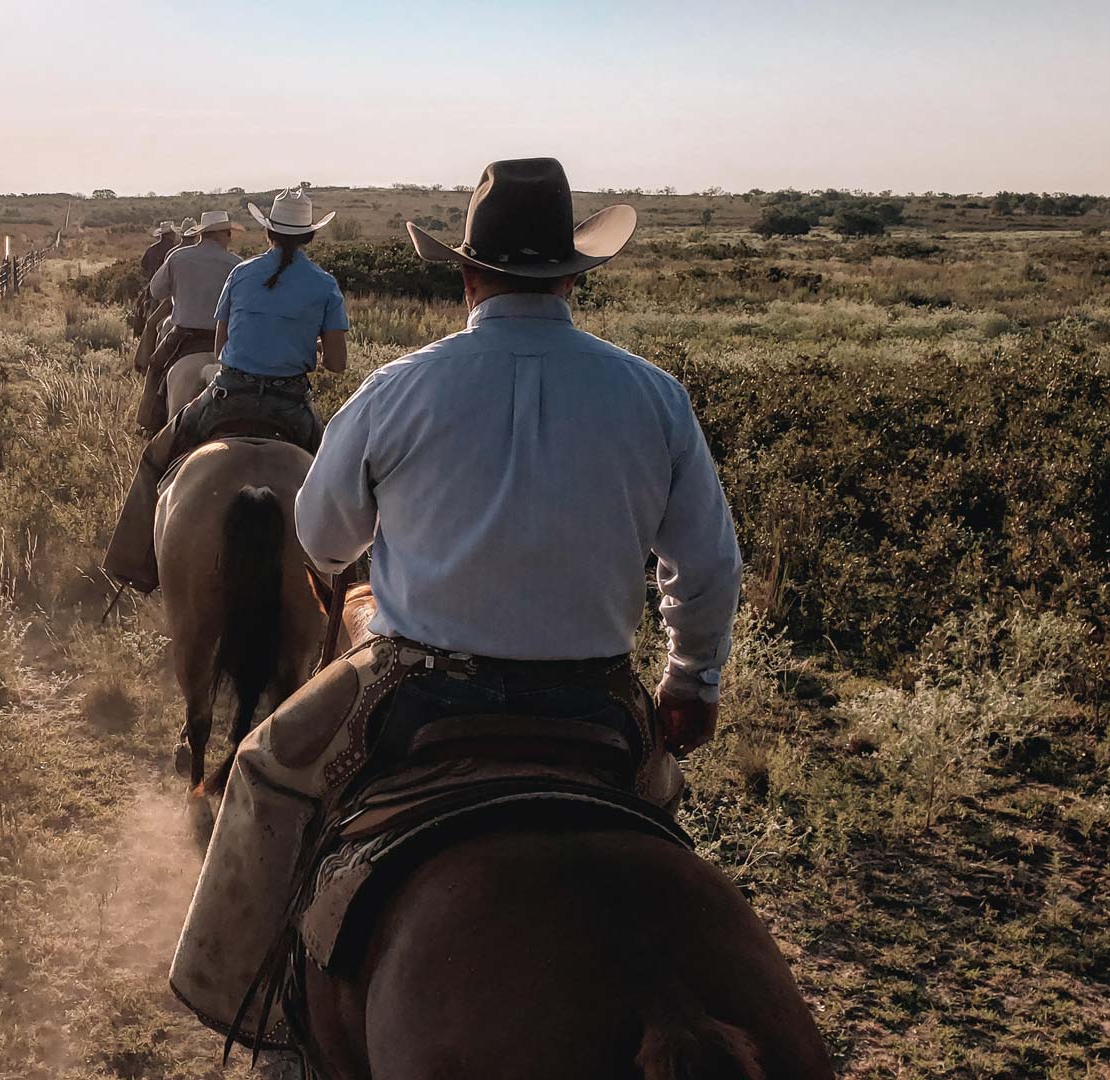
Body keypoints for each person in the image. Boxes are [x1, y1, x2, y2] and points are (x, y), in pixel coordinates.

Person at [169, 158, 743, 1039]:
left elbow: (322, 538)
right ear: (570, 276)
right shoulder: (653, 396)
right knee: (657, 813)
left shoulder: (402, 387)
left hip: (416, 687)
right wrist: (691, 683)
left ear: (466, 274)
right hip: (595, 696)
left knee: (261, 765)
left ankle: (252, 1018)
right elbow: (706, 564)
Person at [103, 189, 349, 593]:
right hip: (289, 406)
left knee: (155, 456)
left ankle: (136, 565)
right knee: (342, 479)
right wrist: (311, 347)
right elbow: (337, 364)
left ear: (268, 232)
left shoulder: (241, 274)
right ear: (309, 237)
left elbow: (220, 348)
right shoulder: (324, 285)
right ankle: (347, 589)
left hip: (226, 397)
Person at [129, 209, 242, 437]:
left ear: (203, 234)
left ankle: (149, 424)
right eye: (228, 233)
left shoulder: (178, 257)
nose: (230, 238)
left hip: (184, 335)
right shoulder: (237, 264)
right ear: (221, 234)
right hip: (227, 340)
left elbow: (156, 290)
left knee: (156, 365)